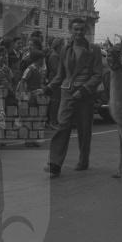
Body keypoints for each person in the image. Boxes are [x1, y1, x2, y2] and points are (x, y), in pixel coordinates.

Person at [36, 18, 102, 178]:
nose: (79, 32)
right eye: (76, 29)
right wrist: (47, 88)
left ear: (85, 31)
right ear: (70, 30)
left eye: (81, 29)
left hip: (85, 94)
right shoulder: (65, 49)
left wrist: (84, 90)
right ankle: (54, 164)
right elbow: (60, 75)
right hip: (67, 93)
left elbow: (97, 74)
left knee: (84, 129)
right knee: (63, 126)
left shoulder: (94, 49)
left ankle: (83, 160)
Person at [45, 37, 64, 129]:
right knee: (54, 102)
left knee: (57, 101)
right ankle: (52, 122)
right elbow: (57, 70)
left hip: (58, 80)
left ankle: (54, 121)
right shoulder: (54, 56)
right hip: (55, 81)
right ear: (58, 45)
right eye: (62, 44)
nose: (63, 46)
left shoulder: (58, 55)